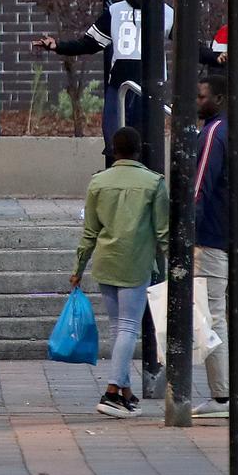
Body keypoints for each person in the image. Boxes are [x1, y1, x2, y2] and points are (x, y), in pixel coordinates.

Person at [71, 127, 169, 419]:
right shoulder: (154, 183)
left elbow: (89, 232)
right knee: (128, 327)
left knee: (117, 328)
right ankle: (113, 391)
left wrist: (77, 268)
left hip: (106, 262)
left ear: (113, 150)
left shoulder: (98, 182)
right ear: (139, 150)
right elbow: (163, 232)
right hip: (136, 263)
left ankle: (125, 393)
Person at [31, 0, 174, 166]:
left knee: (145, 142)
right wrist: (58, 46)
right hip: (119, 84)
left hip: (150, 88)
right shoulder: (116, 11)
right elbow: (90, 43)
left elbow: (189, 44)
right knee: (115, 139)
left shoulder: (166, 13)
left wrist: (216, 57)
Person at [189, 74, 236, 418]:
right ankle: (237, 390)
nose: (196, 101)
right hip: (231, 233)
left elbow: (200, 184)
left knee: (209, 315)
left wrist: (186, 229)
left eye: (201, 96)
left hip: (209, 238)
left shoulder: (212, 134)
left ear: (218, 99)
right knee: (220, 314)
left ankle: (223, 396)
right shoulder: (237, 129)